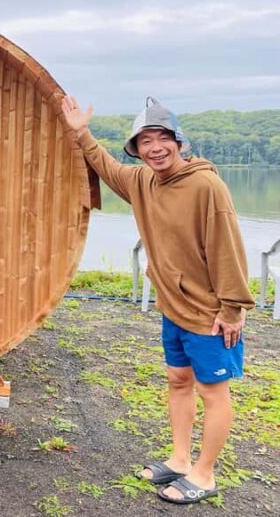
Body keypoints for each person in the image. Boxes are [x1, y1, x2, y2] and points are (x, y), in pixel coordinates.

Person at [61, 95, 255, 505]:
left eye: (163, 138)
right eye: (145, 141)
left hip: (209, 312)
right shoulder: (144, 182)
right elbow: (107, 168)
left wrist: (232, 308)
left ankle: (205, 474)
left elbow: (228, 247)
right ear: (137, 148)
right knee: (178, 381)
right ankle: (181, 459)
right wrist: (81, 132)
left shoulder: (207, 185)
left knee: (213, 391)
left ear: (179, 142)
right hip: (173, 307)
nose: (155, 148)